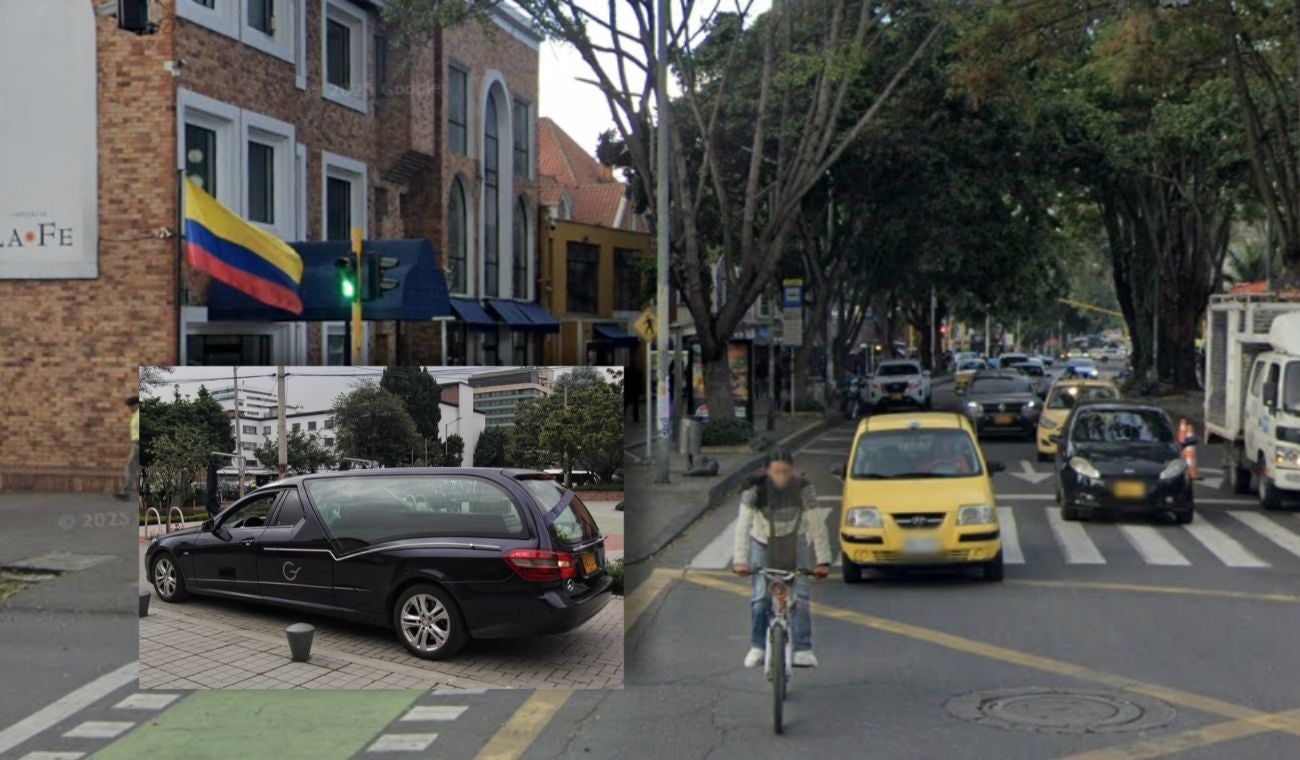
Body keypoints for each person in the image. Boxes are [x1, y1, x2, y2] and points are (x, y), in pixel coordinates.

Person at [732, 448, 832, 669]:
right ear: (766, 472)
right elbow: (743, 525)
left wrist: (823, 561)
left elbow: (817, 523)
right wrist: (740, 560)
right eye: (776, 472)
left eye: (786, 472)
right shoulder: (754, 488)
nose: (781, 477)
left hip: (794, 540)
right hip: (762, 541)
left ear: (792, 470)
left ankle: (803, 649)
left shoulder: (803, 487)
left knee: (801, 596)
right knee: (760, 598)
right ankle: (758, 646)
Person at [113, 396, 140, 502]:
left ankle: (124, 492)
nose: (129, 408)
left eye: (131, 406)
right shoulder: (135, 415)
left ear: (136, 405)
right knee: (131, 468)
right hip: (135, 444)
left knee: (131, 468)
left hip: (138, 444)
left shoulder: (138, 416)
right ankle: (124, 491)